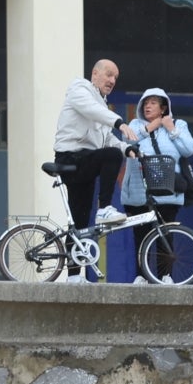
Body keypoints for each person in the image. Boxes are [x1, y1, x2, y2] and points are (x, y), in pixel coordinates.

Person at [53, 59, 139, 281]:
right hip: (71, 157)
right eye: (109, 75)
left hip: (86, 161)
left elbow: (107, 139)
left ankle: (73, 276)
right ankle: (105, 208)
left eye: (115, 78)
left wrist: (126, 147)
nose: (112, 81)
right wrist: (120, 122)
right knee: (110, 156)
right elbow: (91, 111)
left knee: (81, 223)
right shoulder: (79, 89)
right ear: (95, 74)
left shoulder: (102, 103)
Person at [120, 88, 193, 283]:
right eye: (145, 103)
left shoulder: (179, 124)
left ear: (164, 107)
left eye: (153, 103)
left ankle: (166, 275)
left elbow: (188, 149)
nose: (148, 106)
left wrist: (172, 129)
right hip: (139, 191)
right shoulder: (135, 124)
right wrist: (151, 127)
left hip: (168, 191)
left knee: (165, 232)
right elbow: (127, 140)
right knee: (141, 234)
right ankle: (141, 275)